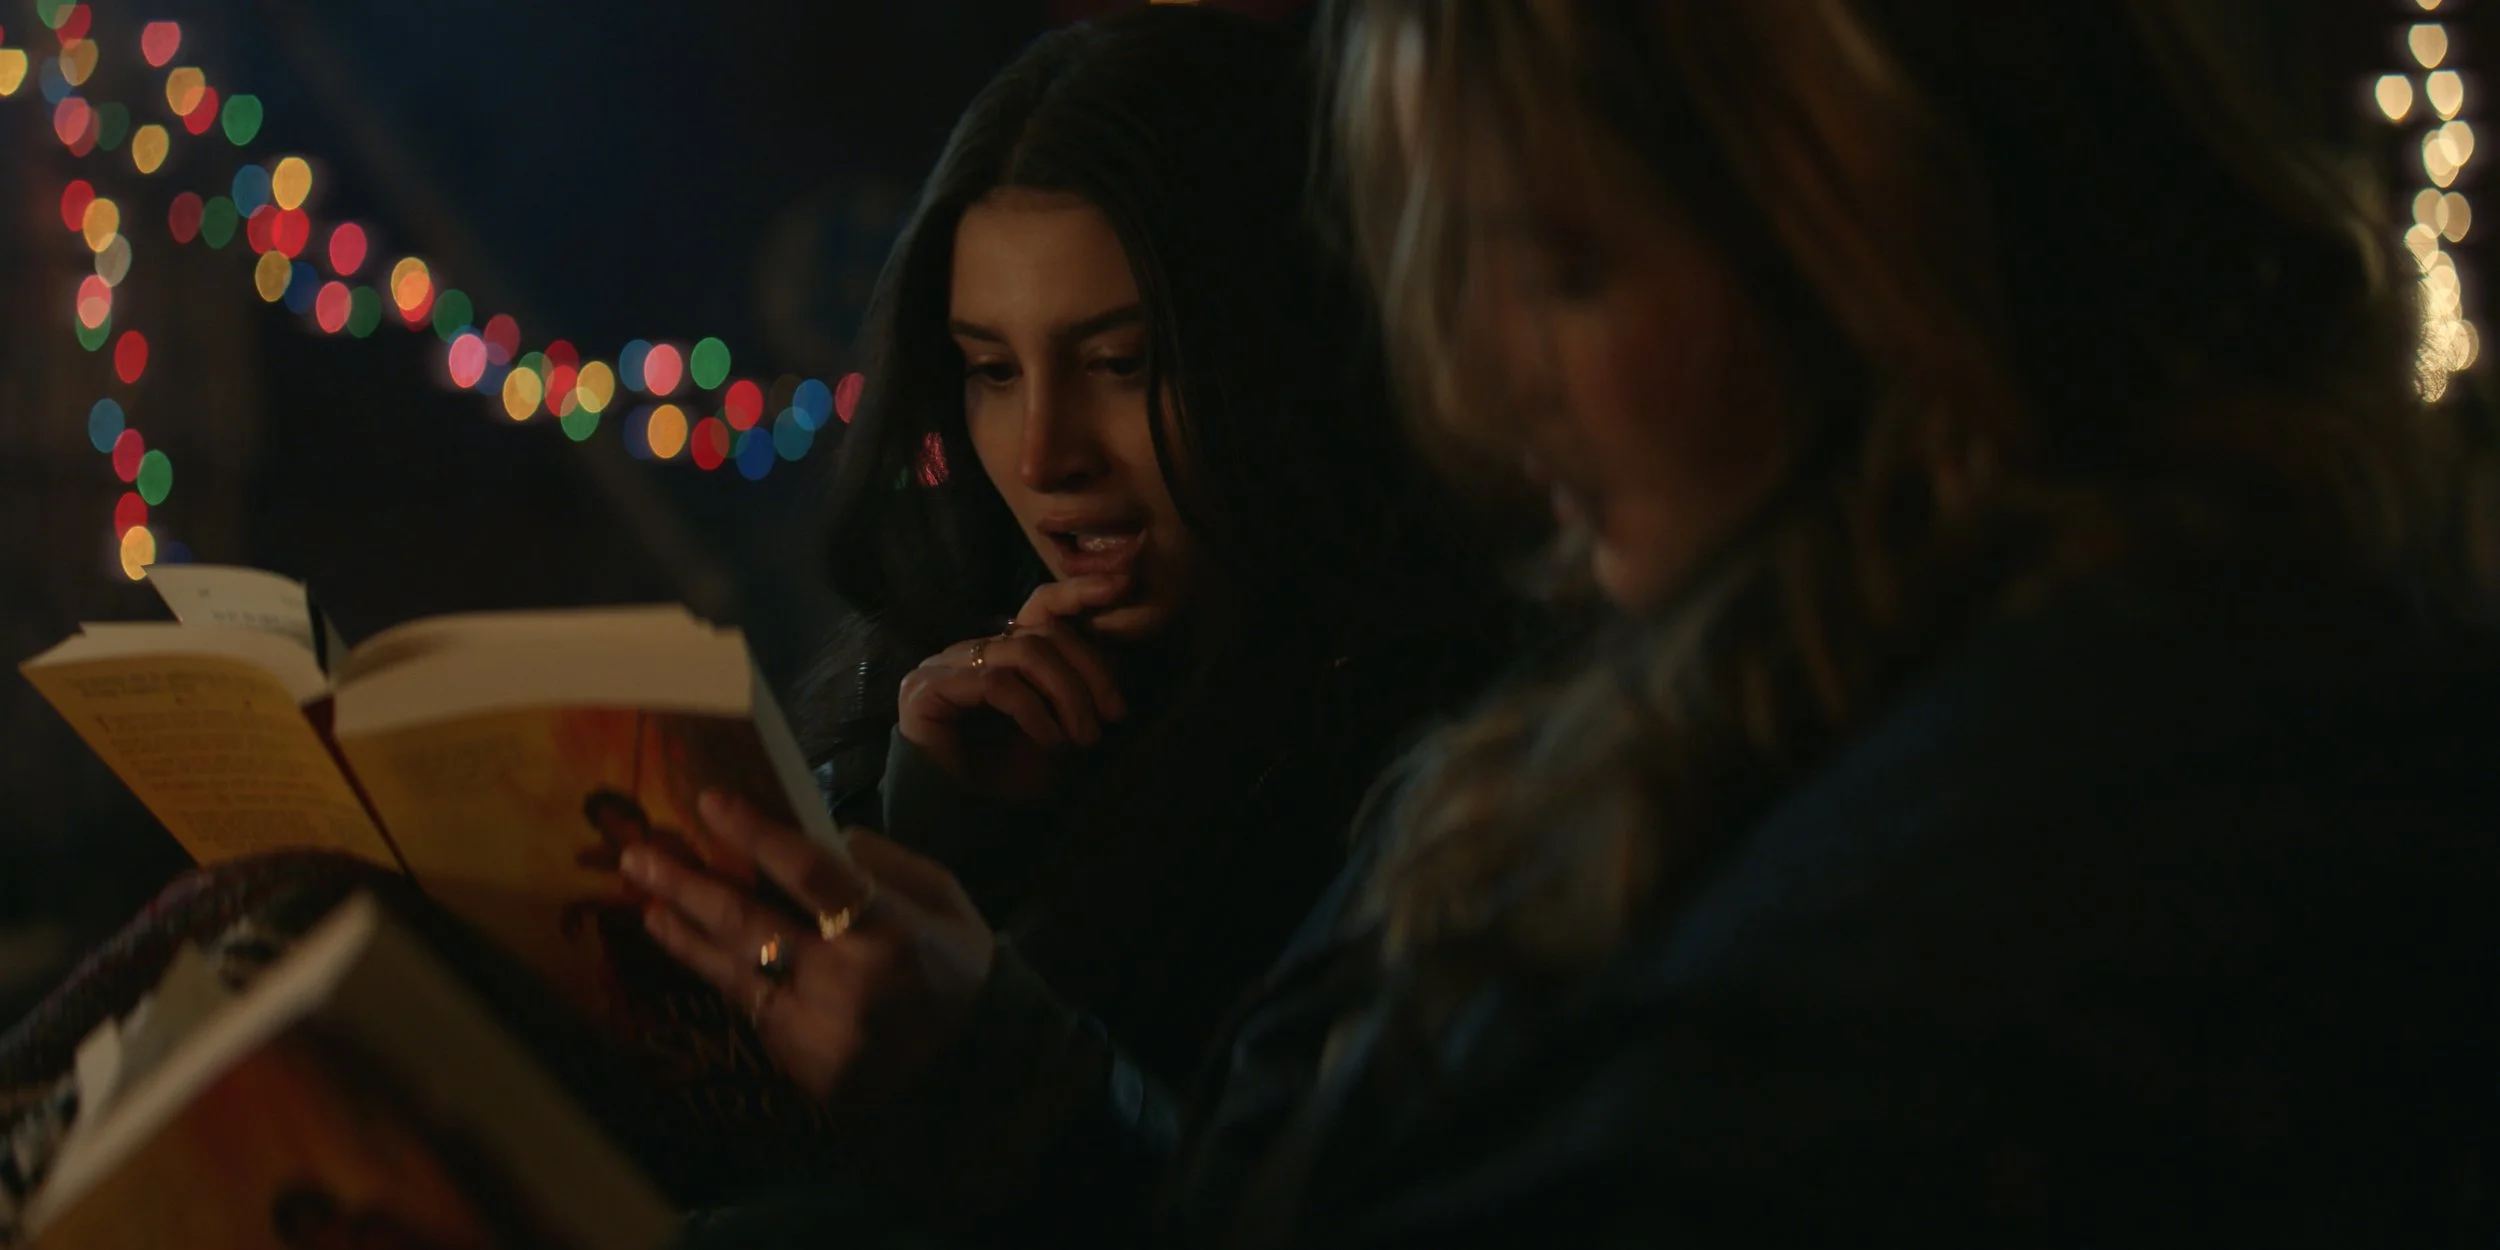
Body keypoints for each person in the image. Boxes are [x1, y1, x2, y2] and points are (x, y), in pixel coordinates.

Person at [632, 0, 2500, 1244]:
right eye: (986, 369)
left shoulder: (2049, 813)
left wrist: (993, 1089)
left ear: (1879, 241)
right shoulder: (1674, 736)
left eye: (1563, 266)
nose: (1485, 382)